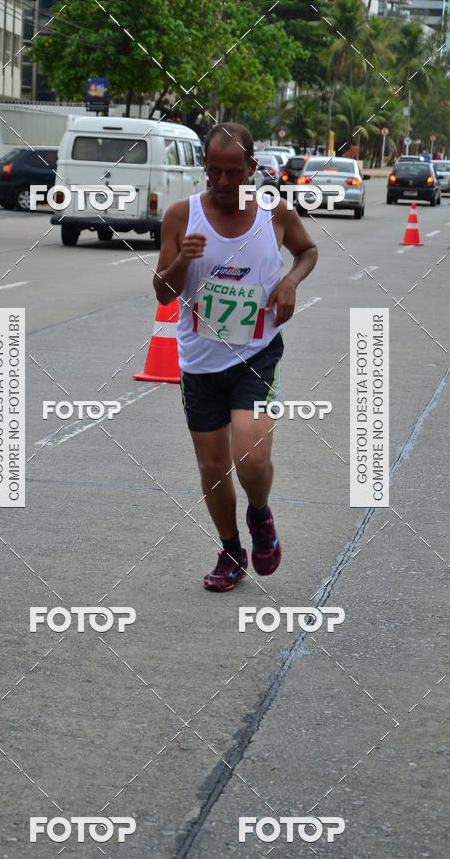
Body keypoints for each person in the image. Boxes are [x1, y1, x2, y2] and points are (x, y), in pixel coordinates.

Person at [153, 123, 318, 591]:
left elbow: (307, 251)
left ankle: (260, 515)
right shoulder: (181, 216)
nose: (223, 183)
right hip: (200, 364)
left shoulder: (274, 213)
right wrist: (182, 259)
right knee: (211, 467)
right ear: (204, 168)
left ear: (251, 168)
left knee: (249, 456)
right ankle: (230, 550)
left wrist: (289, 282)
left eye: (233, 172)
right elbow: (163, 294)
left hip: (257, 355)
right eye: (213, 172)